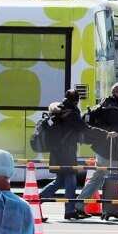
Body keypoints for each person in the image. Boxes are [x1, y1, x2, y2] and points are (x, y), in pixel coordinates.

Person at [39, 87, 88, 219]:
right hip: (67, 153)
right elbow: (83, 128)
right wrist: (103, 134)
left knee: (59, 181)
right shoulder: (71, 112)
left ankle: (34, 202)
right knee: (71, 179)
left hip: (57, 152)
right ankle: (70, 210)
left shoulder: (59, 110)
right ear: (76, 101)